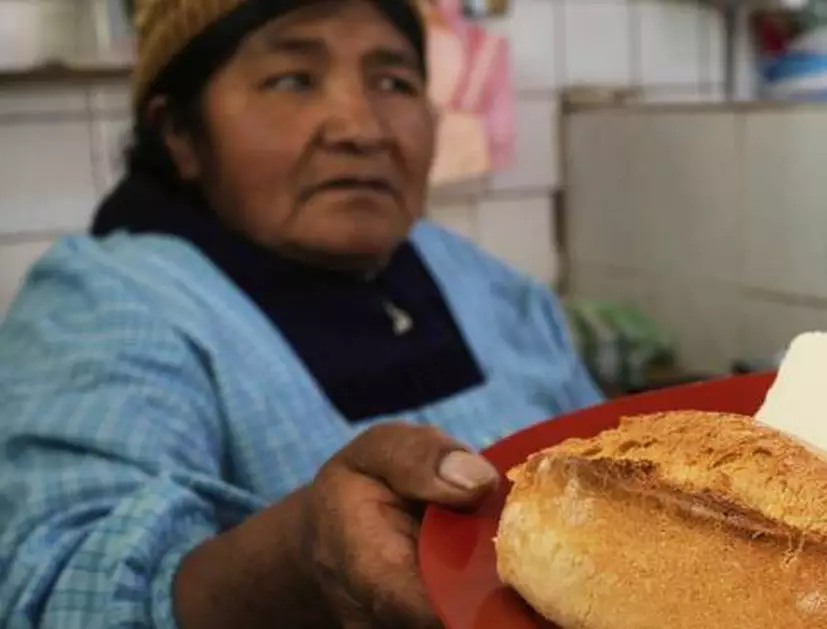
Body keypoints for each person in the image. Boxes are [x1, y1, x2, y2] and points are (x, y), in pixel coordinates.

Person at [0, 0, 602, 627]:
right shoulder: (104, 303)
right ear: (180, 133)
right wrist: (297, 559)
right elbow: (53, 595)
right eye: (292, 80)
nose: (361, 127)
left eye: (393, 82)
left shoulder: (478, 277)